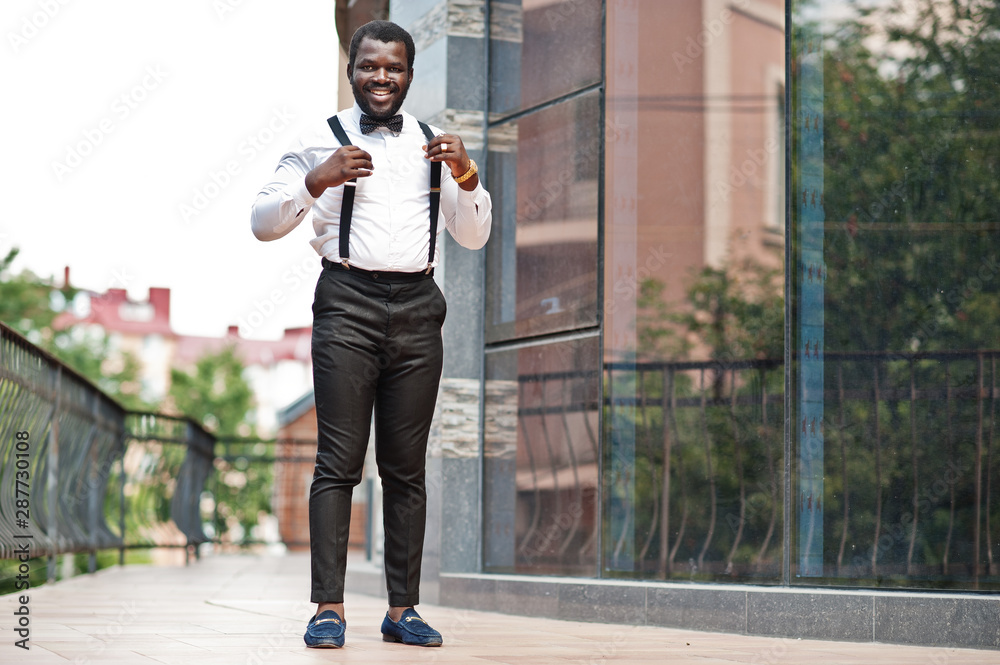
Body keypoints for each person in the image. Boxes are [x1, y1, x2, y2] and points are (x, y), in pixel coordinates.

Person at [250, 19, 491, 649]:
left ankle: (402, 610)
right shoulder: (317, 139)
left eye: (394, 67)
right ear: (353, 68)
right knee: (338, 461)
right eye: (369, 66)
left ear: (409, 74)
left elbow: (473, 235)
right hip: (347, 301)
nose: (380, 77)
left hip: (418, 306)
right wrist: (318, 179)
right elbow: (262, 222)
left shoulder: (439, 143)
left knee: (406, 468)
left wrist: (468, 177)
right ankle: (329, 607)